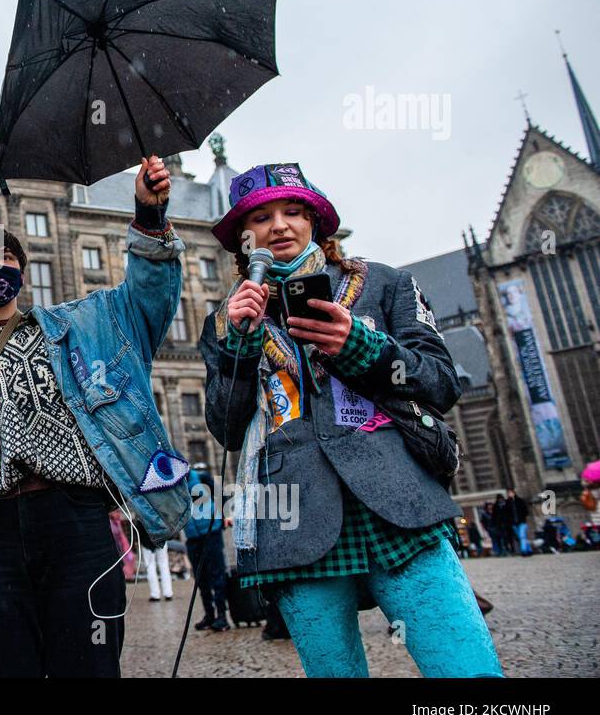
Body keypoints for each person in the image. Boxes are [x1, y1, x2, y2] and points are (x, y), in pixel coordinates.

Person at [199, 161, 502, 678]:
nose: (279, 226)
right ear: (243, 240)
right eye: (262, 218)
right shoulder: (226, 321)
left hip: (397, 507)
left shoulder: (383, 284)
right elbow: (225, 427)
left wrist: (361, 346)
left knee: (466, 671)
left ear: (314, 221)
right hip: (294, 522)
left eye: (292, 211)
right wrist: (240, 347)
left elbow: (443, 384)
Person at [0, 155, 190, 678]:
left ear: (22, 271)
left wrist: (149, 219)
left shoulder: (84, 325)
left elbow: (146, 300)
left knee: (90, 667)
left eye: (7, 259)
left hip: (77, 524)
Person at [184, 463, 230, 629]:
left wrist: (224, 518)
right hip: (192, 536)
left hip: (211, 532)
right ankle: (209, 615)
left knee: (217, 574)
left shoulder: (202, 477)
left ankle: (222, 616)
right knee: (200, 578)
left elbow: (221, 495)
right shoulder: (173, 485)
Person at [507, 489, 532, 556]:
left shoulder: (520, 501)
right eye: (509, 493)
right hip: (514, 523)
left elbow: (525, 511)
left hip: (521, 522)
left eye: (511, 493)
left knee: (522, 536)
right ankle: (529, 549)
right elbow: (507, 514)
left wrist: (522, 517)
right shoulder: (508, 503)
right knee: (521, 537)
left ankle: (524, 551)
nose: (510, 494)